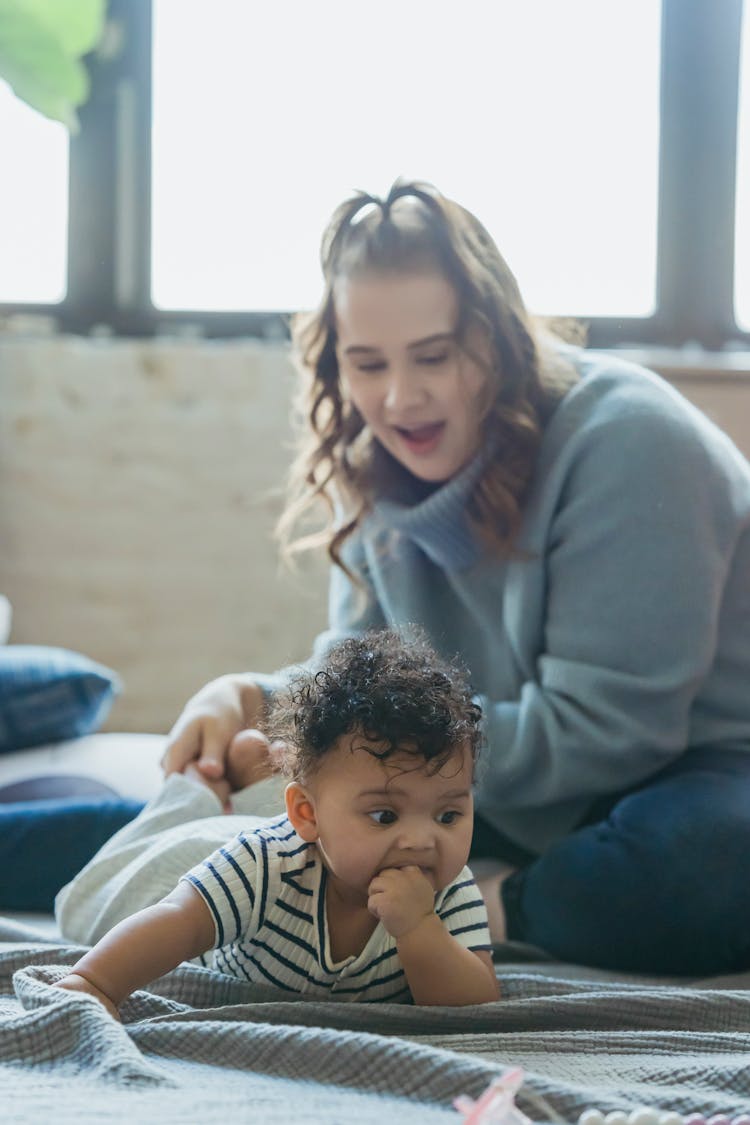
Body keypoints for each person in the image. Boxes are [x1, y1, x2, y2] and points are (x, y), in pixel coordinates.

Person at [86, 179, 750, 976]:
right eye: (367, 364)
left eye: (433, 356)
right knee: (230, 802)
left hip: (688, 766)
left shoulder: (631, 439)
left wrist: (376, 774)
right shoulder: (375, 467)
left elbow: (608, 730)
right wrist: (255, 702)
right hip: (470, 783)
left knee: (701, 859)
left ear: (497, 341)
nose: (400, 398)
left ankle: (491, 904)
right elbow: (361, 681)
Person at [55, 630, 499, 1013]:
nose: (423, 840)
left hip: (290, 829)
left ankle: (256, 778)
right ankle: (197, 790)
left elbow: (475, 1005)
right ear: (307, 814)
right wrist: (94, 984)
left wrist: (420, 929)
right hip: (184, 859)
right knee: (90, 902)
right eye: (385, 816)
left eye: (448, 815)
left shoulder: (447, 890)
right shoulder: (265, 865)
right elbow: (178, 920)